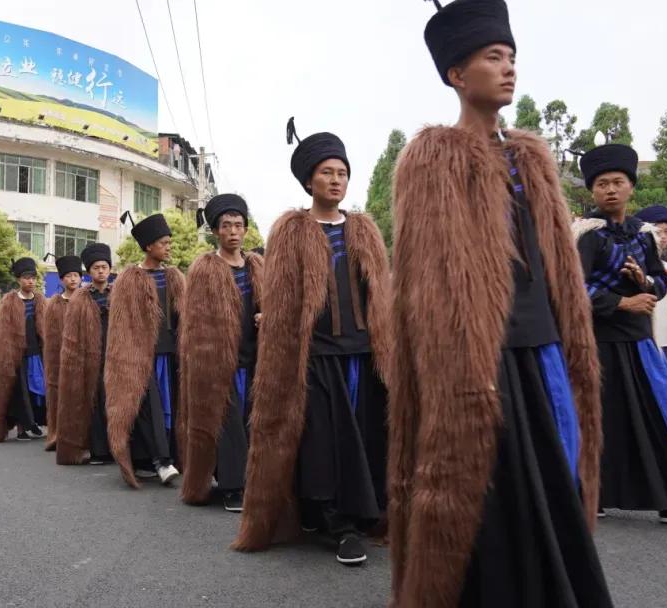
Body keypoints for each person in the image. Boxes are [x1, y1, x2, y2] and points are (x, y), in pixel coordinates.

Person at [386, 0, 611, 603]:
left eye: (512, 56)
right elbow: (428, 282)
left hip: (547, 349)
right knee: (489, 496)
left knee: (559, 484)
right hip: (483, 361)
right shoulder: (431, 158)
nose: (509, 68)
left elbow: (555, 266)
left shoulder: (531, 157)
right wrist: (458, 367)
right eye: (494, 57)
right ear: (458, 74)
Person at [231, 120, 390, 567]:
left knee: (366, 436)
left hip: (364, 354)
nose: (336, 180)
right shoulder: (291, 230)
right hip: (316, 356)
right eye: (327, 173)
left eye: (343, 172)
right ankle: (340, 525)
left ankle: (367, 514)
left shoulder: (364, 229)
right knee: (327, 440)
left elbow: (381, 294)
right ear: (308, 181)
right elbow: (281, 301)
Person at [576, 142, 667, 527]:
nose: (610, 190)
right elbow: (569, 288)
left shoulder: (644, 237)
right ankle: (592, 495)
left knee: (663, 416)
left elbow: (660, 281)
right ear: (592, 191)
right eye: (602, 184)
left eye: (618, 182)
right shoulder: (586, 236)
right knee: (598, 422)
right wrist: (621, 302)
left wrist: (644, 281)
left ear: (631, 187)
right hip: (598, 345)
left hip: (641, 344)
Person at [180, 194, 264, 513]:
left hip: (254, 355)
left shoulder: (257, 266)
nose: (233, 232)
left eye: (238, 225)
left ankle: (252, 479)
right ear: (216, 231)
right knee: (228, 423)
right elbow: (194, 320)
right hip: (218, 360)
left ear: (246, 230)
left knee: (250, 420)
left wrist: (265, 316)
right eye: (226, 226)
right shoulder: (204, 269)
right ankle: (232, 486)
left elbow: (271, 303)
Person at [105, 212, 185, 487]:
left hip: (170, 354)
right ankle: (161, 461)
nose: (168, 247)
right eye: (163, 243)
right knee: (148, 407)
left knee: (170, 407)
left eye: (169, 242)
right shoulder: (128, 279)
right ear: (148, 246)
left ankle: (169, 457)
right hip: (140, 356)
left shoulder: (174, 277)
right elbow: (120, 324)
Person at [56, 243, 113, 465]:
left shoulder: (118, 293)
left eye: (104, 267)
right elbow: (71, 334)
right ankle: (99, 450)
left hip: (115, 356)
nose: (101, 271)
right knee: (96, 402)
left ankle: (119, 448)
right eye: (96, 268)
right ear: (89, 272)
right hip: (91, 359)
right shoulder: (80, 298)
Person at [0, 259, 48, 442]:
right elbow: (2, 332)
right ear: (18, 280)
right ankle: (23, 428)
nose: (30, 281)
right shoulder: (9, 302)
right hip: (18, 355)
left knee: (40, 389)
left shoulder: (40, 300)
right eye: (26, 278)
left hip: (37, 353)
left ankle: (36, 422)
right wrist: (7, 356)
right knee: (21, 392)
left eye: (33, 278)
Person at [634, 205, 667, 381]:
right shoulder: (632, 264)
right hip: (641, 340)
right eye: (657, 231)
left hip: (665, 340)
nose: (663, 237)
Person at [42, 254, 83, 448]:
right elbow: (50, 337)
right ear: (61, 280)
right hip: (61, 358)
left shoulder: (87, 300)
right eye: (68, 276)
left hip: (85, 356)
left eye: (76, 275)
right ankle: (59, 435)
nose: (73, 279)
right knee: (61, 398)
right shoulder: (53, 304)